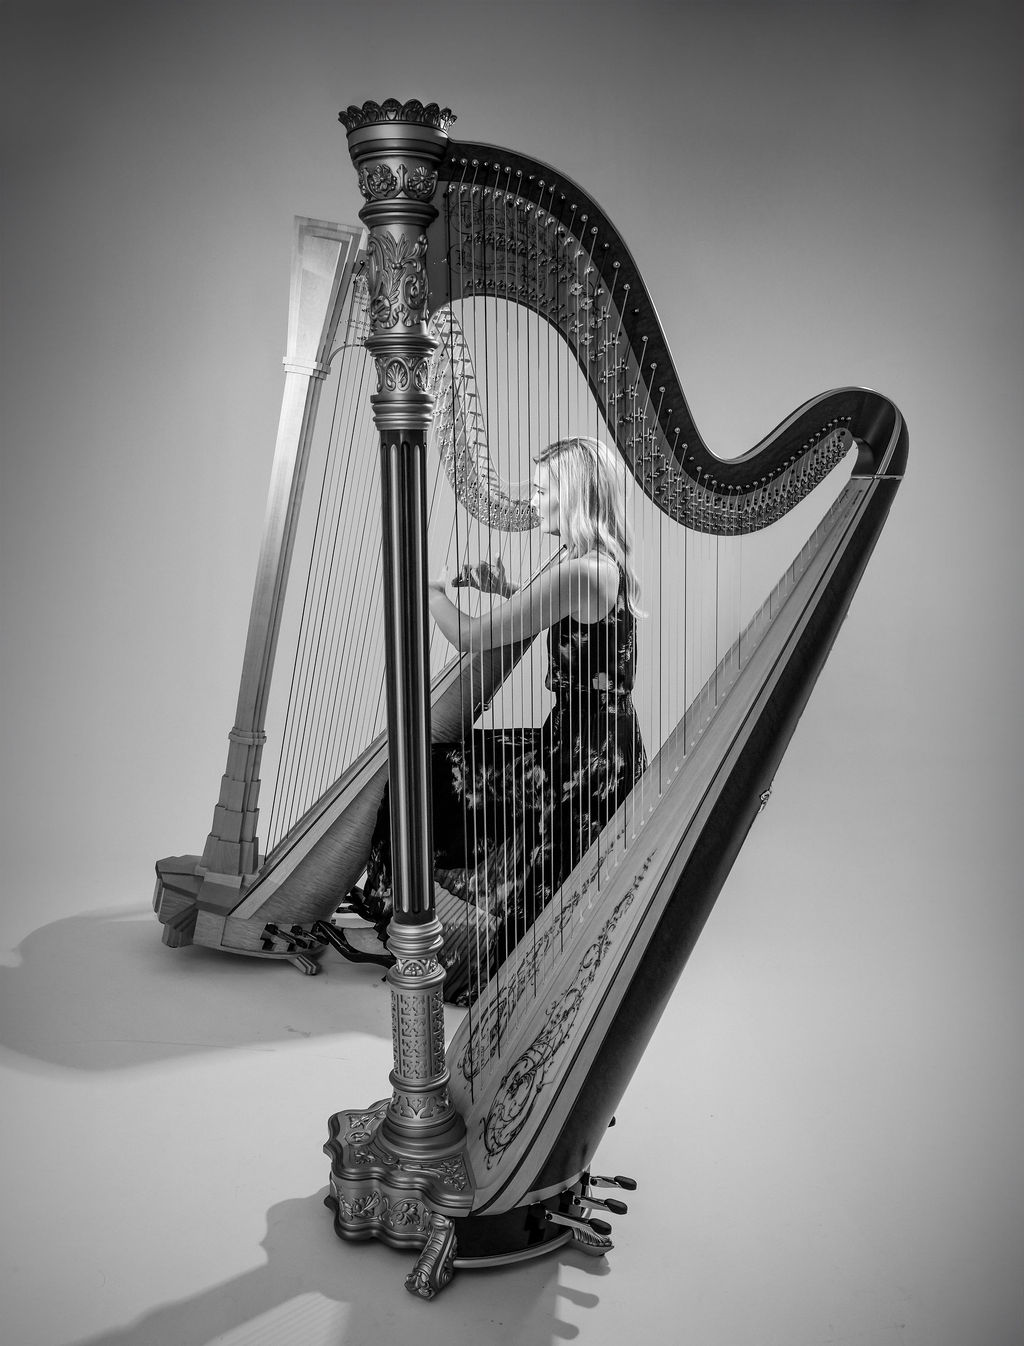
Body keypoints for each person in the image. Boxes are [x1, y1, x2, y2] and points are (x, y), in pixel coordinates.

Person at [347, 436, 647, 1002]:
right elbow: (572, 622)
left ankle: (430, 927)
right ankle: (439, 920)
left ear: (574, 496)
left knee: (427, 770)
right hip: (593, 740)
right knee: (440, 767)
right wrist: (507, 590)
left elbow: (469, 635)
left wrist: (428, 590)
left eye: (541, 491)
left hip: (582, 760)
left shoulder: (579, 572)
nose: (532, 503)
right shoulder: (597, 566)